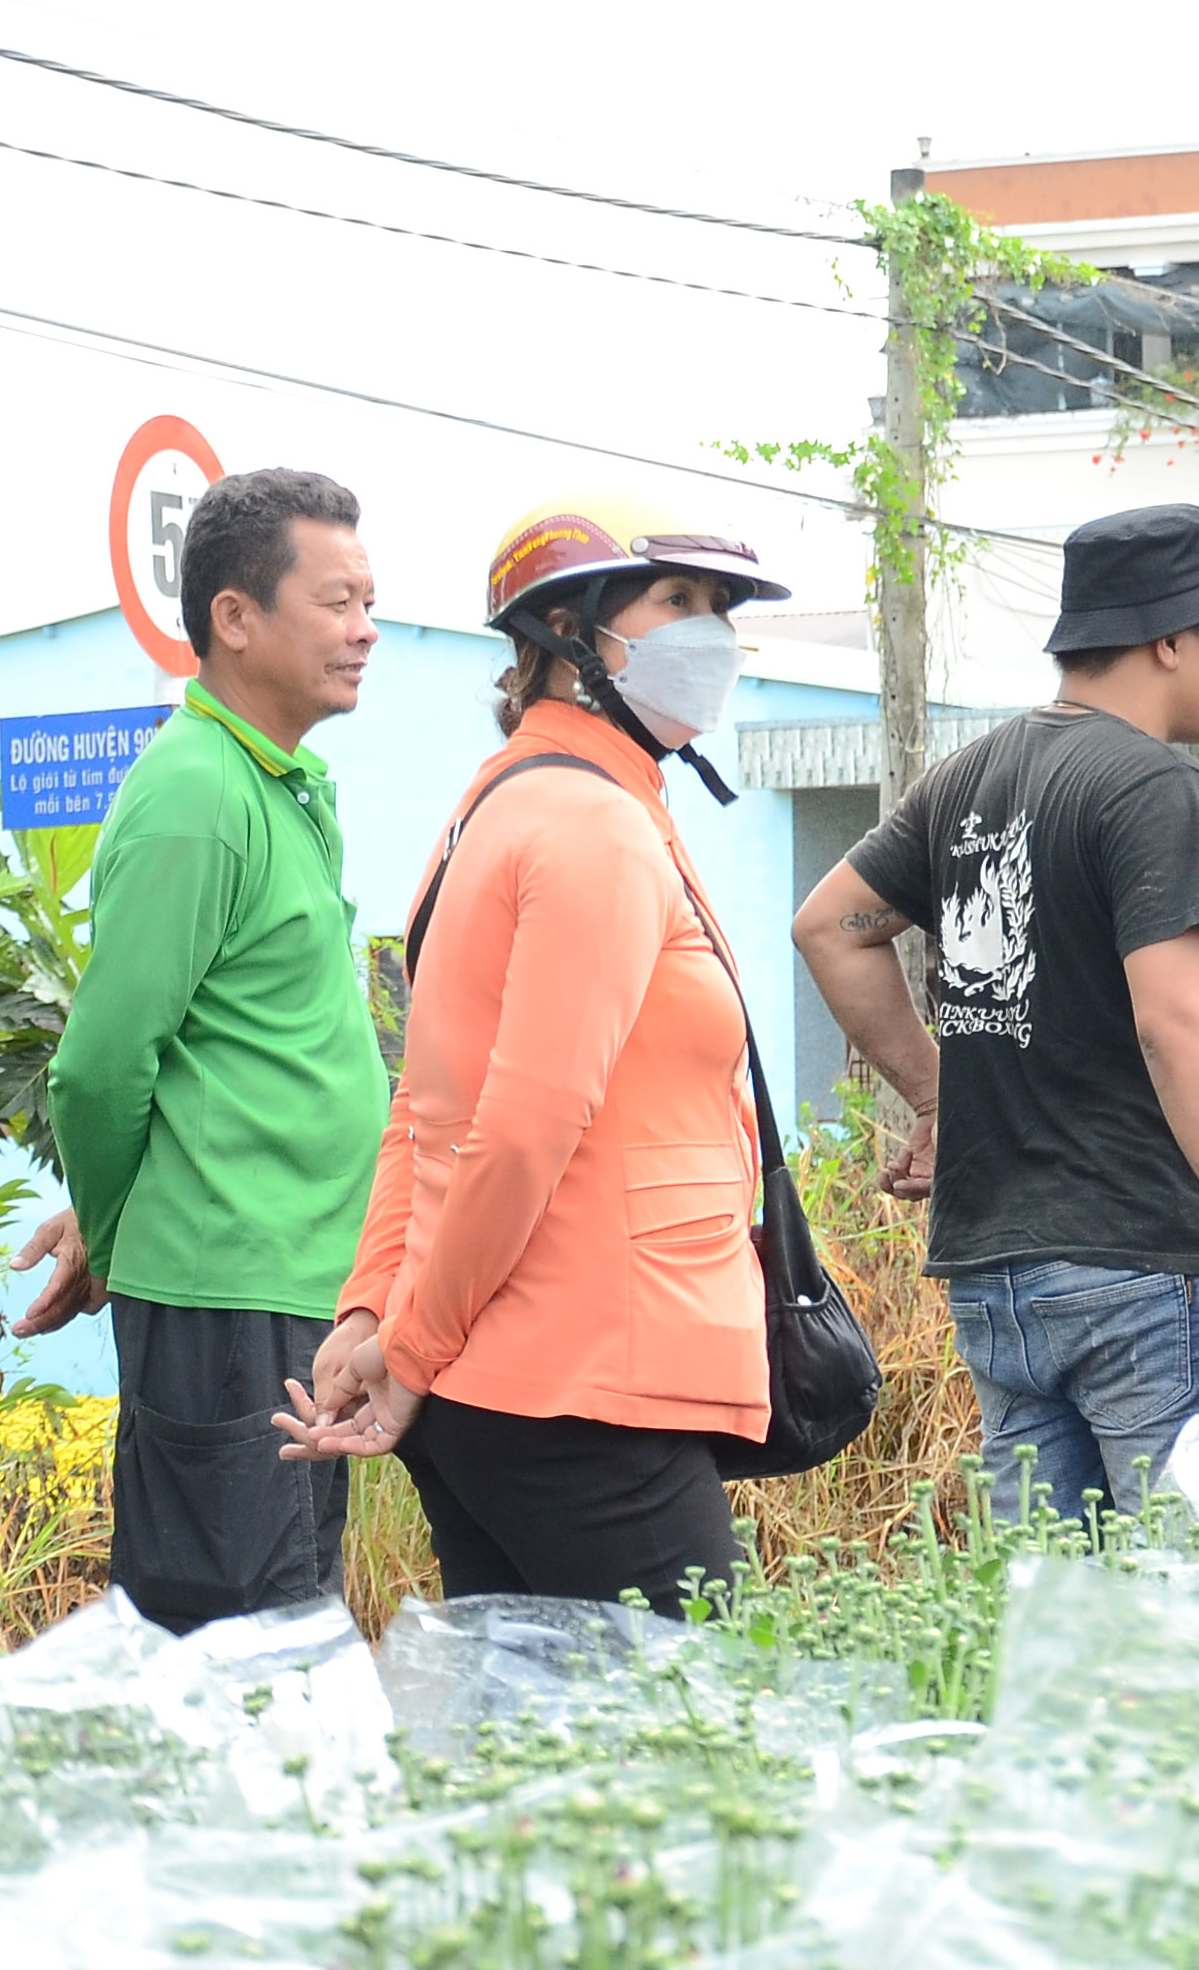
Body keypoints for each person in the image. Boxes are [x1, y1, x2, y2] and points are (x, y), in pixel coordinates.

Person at [271, 495, 786, 1615]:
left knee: (541, 1753)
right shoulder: (592, 828)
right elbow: (518, 1127)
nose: (712, 637)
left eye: (721, 610)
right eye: (679, 603)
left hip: (509, 1384)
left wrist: (376, 1315)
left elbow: (425, 1103)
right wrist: (402, 1348)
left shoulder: (500, 807)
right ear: (570, 631)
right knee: (698, 1748)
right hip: (588, 1384)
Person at [791, 502, 1199, 1522]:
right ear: (1171, 640)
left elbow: (830, 927)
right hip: (1147, 1273)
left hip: (1001, 1282)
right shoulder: (1153, 787)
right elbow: (1176, 1026)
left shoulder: (973, 776)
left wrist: (937, 1094)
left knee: (1050, 1619)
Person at [16, 467, 386, 1633]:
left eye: (368, 601)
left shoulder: (281, 784)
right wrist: (120, 1236)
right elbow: (101, 1065)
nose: (366, 630)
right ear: (235, 617)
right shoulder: (194, 793)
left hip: (290, 1287)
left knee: (288, 1620)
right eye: (336, 602)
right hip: (228, 1298)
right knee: (240, 1645)